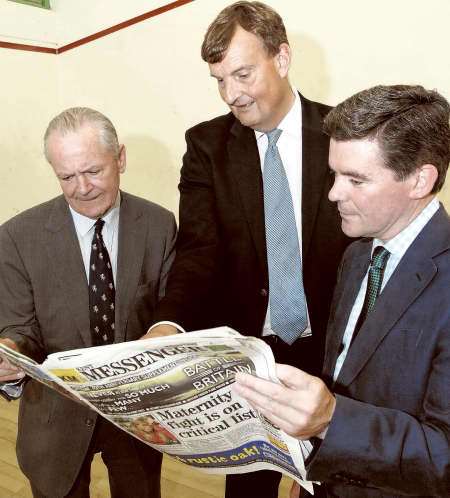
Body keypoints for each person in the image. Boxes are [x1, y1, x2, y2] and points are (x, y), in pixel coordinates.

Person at [145, 2, 350, 497]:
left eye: (242, 74)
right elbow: (198, 248)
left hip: (331, 351)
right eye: (219, 80)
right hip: (250, 354)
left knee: (328, 483)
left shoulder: (342, 135)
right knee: (248, 488)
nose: (231, 94)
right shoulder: (207, 146)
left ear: (281, 58)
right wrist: (168, 323)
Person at [234, 84, 450, 497]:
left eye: (356, 179)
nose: (333, 193)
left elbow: (444, 456)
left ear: (420, 179)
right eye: (335, 173)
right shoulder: (355, 257)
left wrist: (332, 421)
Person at [0, 107, 177, 498]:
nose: (82, 188)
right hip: (55, 416)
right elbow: (19, 328)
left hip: (134, 416)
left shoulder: (158, 225)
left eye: (93, 171)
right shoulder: (16, 237)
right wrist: (11, 352)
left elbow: (168, 309)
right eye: (67, 176)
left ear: (121, 159)